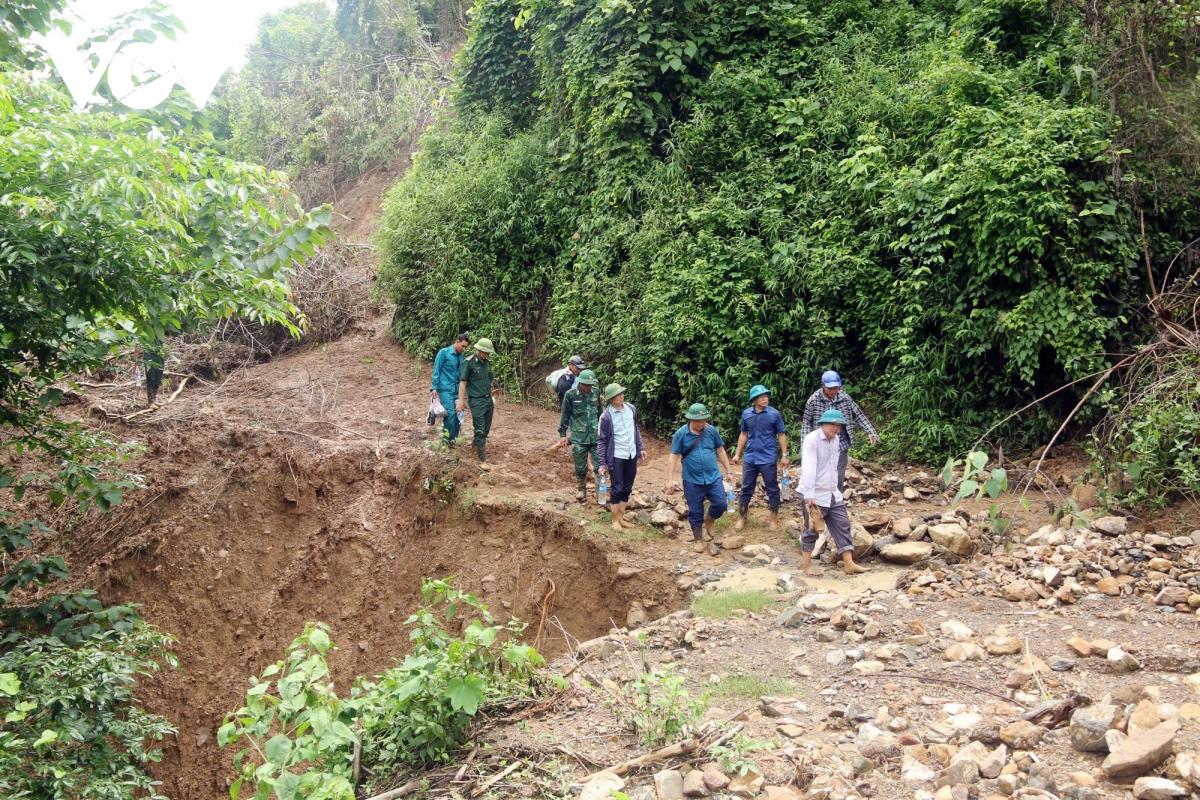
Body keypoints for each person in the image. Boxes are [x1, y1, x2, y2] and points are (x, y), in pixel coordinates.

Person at [799, 409, 868, 576]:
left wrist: (836, 488)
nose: (836, 428)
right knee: (812, 528)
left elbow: (834, 466)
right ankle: (807, 565)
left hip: (831, 491)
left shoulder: (835, 440)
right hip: (814, 493)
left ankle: (849, 563)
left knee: (843, 523)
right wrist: (809, 494)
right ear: (823, 423)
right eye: (833, 424)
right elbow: (808, 467)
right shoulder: (812, 440)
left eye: (839, 425)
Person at [664, 403, 734, 545]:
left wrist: (729, 471)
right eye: (698, 421)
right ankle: (698, 540)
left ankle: (709, 519)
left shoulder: (711, 431)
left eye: (704, 420)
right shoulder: (681, 434)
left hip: (713, 477)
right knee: (695, 510)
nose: (702, 423)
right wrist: (670, 480)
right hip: (692, 479)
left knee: (721, 503)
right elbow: (674, 456)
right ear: (690, 419)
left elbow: (720, 450)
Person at [800, 370, 879, 492]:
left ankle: (836, 502)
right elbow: (806, 423)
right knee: (819, 474)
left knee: (838, 475)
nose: (833, 391)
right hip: (820, 443)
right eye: (830, 388)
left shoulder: (844, 398)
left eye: (835, 388)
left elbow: (858, 414)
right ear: (823, 385)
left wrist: (870, 431)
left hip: (840, 443)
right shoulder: (814, 400)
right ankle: (817, 501)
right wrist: (805, 446)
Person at [731, 384, 789, 531]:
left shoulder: (774, 414)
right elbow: (743, 434)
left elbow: (781, 434)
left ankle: (774, 518)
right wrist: (738, 453)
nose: (765, 399)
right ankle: (742, 517)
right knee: (746, 488)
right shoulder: (747, 414)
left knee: (772, 488)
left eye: (766, 396)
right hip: (750, 457)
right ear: (754, 400)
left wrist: (784, 455)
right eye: (761, 397)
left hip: (768, 456)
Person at [597, 383, 647, 530]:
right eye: (618, 395)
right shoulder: (606, 417)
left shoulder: (631, 409)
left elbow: (635, 429)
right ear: (611, 398)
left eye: (622, 393)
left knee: (627, 487)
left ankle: (621, 517)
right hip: (617, 456)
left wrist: (641, 447)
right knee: (617, 488)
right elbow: (601, 441)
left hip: (631, 454)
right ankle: (614, 521)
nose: (622, 396)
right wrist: (602, 463)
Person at [558, 369, 603, 501]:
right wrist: (563, 434)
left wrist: (605, 432)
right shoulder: (570, 395)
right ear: (580, 382)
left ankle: (600, 494)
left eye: (591, 384)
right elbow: (564, 415)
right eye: (586, 384)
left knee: (600, 466)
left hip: (596, 436)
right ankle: (581, 490)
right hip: (579, 436)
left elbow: (600, 414)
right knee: (580, 466)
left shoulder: (596, 393)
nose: (589, 387)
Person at [457, 338, 495, 463]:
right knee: (479, 429)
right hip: (476, 401)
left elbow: (489, 379)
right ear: (478, 350)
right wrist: (460, 402)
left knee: (486, 429)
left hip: (488, 400)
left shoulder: (487, 363)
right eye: (484, 352)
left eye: (488, 353)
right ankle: (480, 458)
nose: (486, 355)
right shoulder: (469, 363)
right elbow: (463, 383)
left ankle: (475, 449)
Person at [431, 334, 469, 444]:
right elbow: (436, 369)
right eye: (462, 346)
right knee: (450, 414)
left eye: (465, 347)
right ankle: (445, 442)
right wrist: (434, 387)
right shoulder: (443, 353)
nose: (464, 349)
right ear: (457, 342)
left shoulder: (461, 356)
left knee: (459, 413)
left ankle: (453, 440)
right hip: (445, 388)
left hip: (456, 390)